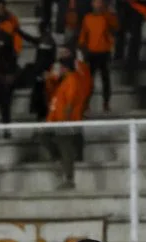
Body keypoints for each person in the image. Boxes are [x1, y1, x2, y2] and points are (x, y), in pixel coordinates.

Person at [44, 58, 82, 190]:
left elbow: (70, 102)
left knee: (66, 148)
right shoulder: (63, 81)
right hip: (57, 121)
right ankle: (61, 164)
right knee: (46, 138)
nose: (55, 70)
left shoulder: (71, 80)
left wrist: (66, 121)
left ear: (64, 68)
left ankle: (69, 179)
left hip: (65, 121)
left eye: (58, 68)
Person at [79, 0, 119, 111]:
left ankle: (106, 103)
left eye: (100, 3)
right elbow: (83, 35)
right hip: (91, 53)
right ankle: (86, 103)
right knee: (88, 81)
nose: (98, 5)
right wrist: (82, 49)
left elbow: (115, 26)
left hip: (104, 52)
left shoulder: (106, 16)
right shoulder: (87, 18)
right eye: (96, 3)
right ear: (91, 4)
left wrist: (108, 13)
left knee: (106, 79)